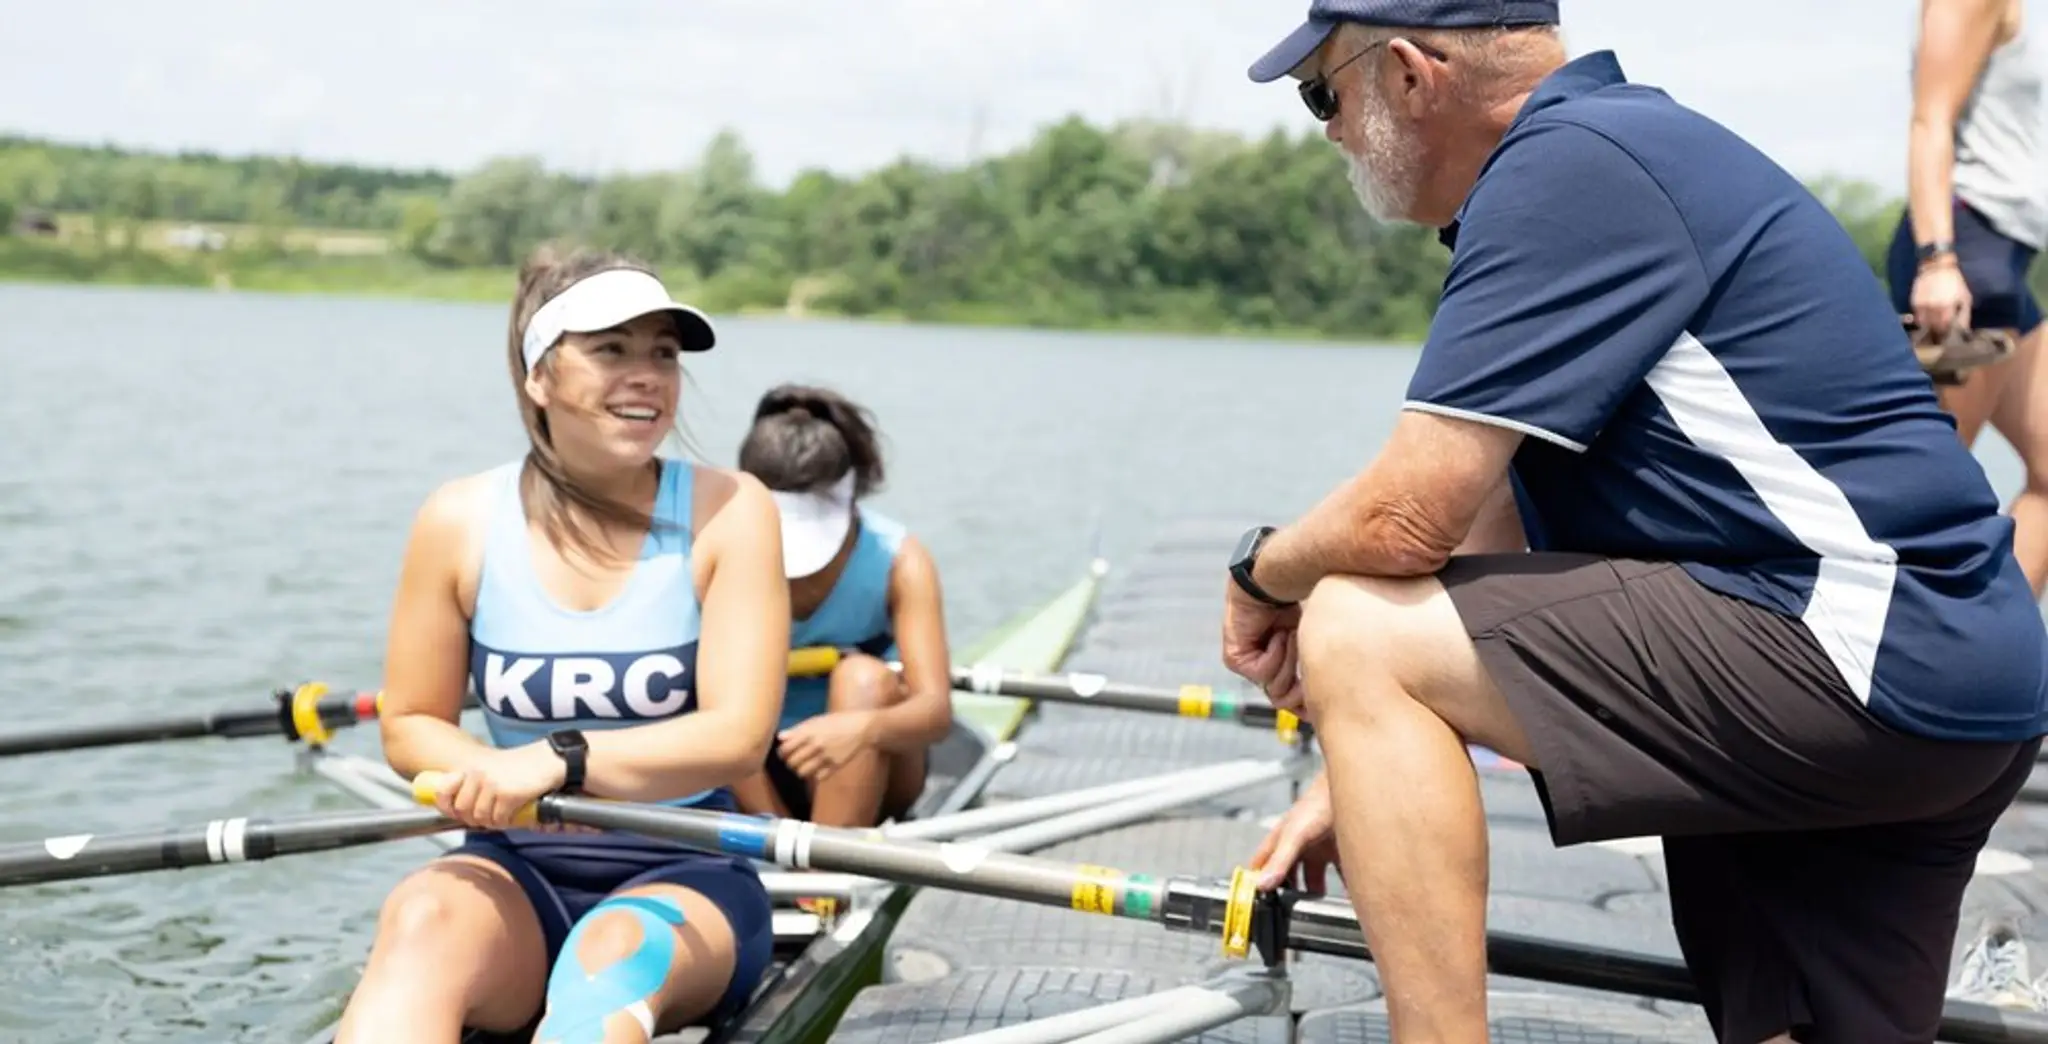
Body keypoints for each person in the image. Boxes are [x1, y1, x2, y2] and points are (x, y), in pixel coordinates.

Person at [1227, 3, 2048, 1043]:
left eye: (1322, 95)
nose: (1330, 131)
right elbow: (1477, 529)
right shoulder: (1621, 148)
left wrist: (1259, 574)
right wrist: (1362, 770)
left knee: (1350, 621)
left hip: (1845, 649)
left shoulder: (1564, 168)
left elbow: (1402, 518)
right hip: (1956, 684)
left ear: (1407, 74)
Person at [333, 245, 790, 1044]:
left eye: (663, 354)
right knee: (420, 919)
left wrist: (562, 761)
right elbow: (409, 724)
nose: (646, 376)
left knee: (608, 959)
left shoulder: (731, 509)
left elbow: (738, 735)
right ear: (538, 376)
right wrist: (490, 776)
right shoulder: (458, 519)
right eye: (611, 350)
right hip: (513, 868)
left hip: (684, 871)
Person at [728, 383, 952, 829]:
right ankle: (789, 849)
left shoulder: (901, 560)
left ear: (850, 495)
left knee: (862, 678)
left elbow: (935, 711)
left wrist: (862, 729)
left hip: (874, 761)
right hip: (750, 770)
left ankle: (825, 861)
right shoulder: (718, 551)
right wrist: (775, 831)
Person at [1888, 0, 2048, 599]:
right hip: (1966, 264)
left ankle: (1998, 638)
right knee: (1926, 499)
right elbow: (1929, 120)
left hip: (2002, 263)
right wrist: (1938, 261)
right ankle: (1894, 649)